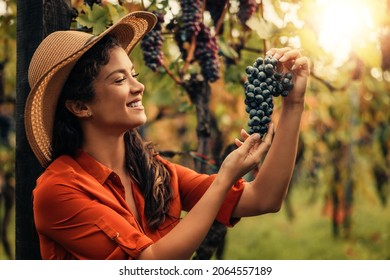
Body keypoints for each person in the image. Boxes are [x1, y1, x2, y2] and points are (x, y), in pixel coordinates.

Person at [25, 11, 310, 260]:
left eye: (134, 74)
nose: (139, 87)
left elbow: (264, 198)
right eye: (120, 79)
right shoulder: (57, 191)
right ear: (80, 106)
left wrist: (294, 103)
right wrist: (225, 177)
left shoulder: (154, 170)